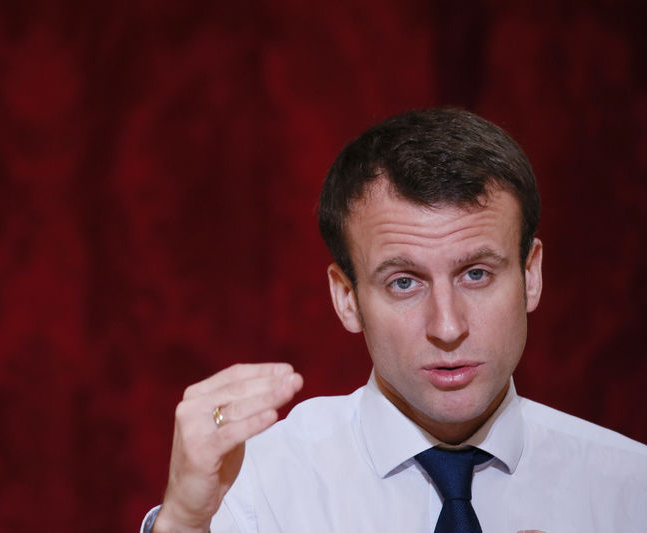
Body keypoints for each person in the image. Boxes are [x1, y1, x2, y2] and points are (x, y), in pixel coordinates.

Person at [141, 108, 647, 532]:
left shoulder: (630, 489)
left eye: (476, 274)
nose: (447, 328)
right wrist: (184, 521)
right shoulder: (255, 485)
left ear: (530, 275)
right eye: (404, 282)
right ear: (347, 298)